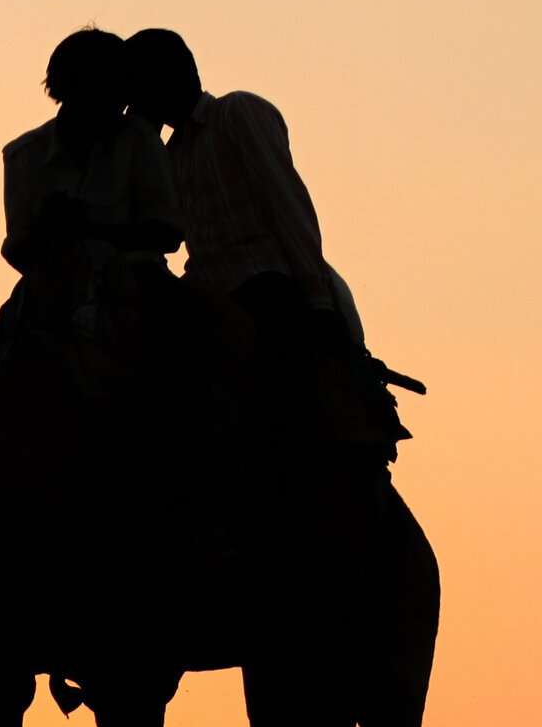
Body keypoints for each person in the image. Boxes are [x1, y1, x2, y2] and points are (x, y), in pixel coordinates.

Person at [123, 28, 410, 458]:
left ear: (175, 72)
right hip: (203, 288)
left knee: (281, 405)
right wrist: (138, 133)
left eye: (139, 81)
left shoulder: (236, 112)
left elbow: (286, 203)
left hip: (263, 281)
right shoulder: (167, 153)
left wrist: (318, 302)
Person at [0, 29, 183, 416]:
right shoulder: (24, 155)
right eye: (107, 89)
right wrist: (49, 232)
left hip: (139, 283)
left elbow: (169, 232)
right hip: (51, 289)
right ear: (70, 90)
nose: (118, 103)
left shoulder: (138, 141)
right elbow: (19, 249)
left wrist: (90, 229)